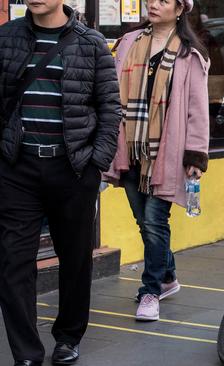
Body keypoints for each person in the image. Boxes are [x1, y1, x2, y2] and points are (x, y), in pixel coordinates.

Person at [0, 0, 121, 364]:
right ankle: (26, 353)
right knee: (13, 262)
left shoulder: (92, 43)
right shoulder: (6, 38)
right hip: (17, 170)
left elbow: (110, 108)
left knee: (75, 260)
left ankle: (68, 337)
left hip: (72, 170)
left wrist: (96, 163)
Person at [102, 0, 210, 321]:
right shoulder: (129, 43)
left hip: (168, 151)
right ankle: (167, 275)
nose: (153, 4)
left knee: (154, 221)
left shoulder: (191, 55)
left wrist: (195, 155)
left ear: (180, 9)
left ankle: (150, 291)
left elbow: (197, 110)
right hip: (131, 148)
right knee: (144, 221)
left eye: (164, 0)